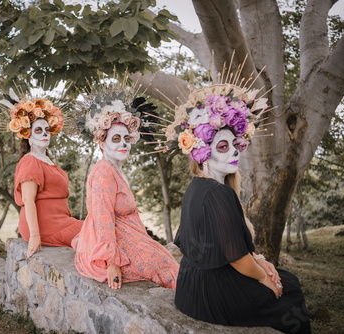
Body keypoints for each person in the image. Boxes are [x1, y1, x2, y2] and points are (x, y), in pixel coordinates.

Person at [166, 83, 311, 333]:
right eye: (223, 146)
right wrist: (265, 279)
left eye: (235, 144)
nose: (233, 151)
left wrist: (262, 262)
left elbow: (231, 248)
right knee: (289, 290)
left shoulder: (196, 186)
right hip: (211, 294)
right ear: (202, 153)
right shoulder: (218, 194)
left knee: (285, 278)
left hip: (190, 287)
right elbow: (237, 258)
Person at [71, 92, 179, 290]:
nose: (123, 143)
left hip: (127, 235)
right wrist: (112, 262)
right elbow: (103, 217)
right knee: (166, 267)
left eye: (126, 138)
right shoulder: (104, 171)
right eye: (116, 138)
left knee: (168, 261)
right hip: (113, 241)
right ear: (102, 143)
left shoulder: (114, 169)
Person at [1, 90, 83, 258]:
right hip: (45, 226)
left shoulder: (48, 160)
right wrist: (35, 236)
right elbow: (27, 200)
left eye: (47, 129)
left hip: (61, 221)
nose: (45, 133)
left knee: (104, 228)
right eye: (38, 130)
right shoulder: (30, 160)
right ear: (28, 134)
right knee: (100, 231)